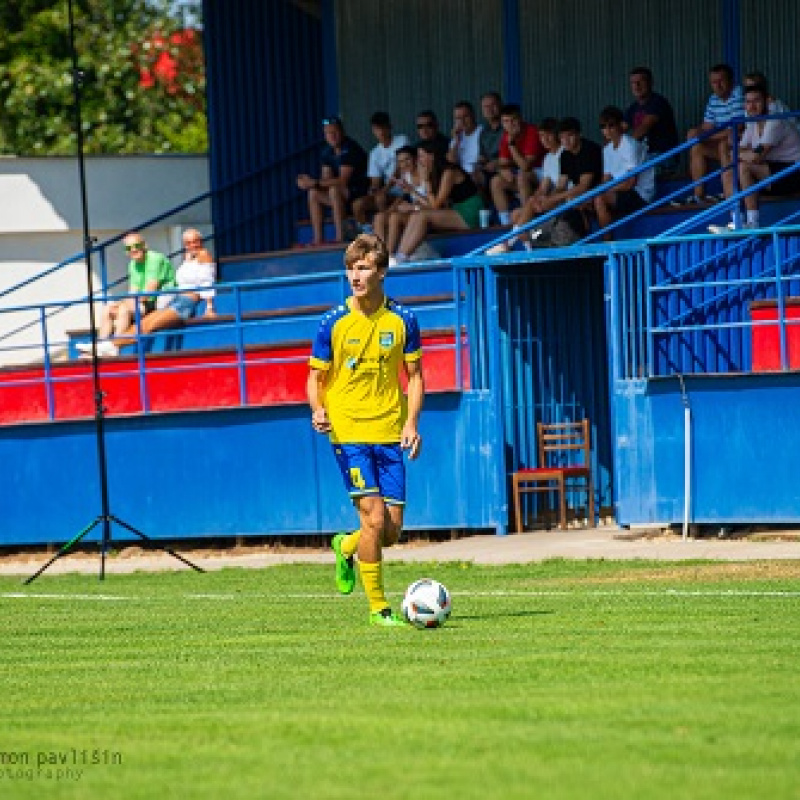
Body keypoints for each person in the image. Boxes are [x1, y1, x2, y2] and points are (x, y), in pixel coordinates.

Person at [307, 233, 424, 627]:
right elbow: (315, 377)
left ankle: (346, 546)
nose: (354, 276)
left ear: (382, 271)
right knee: (373, 518)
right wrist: (318, 408)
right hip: (349, 431)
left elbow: (416, 376)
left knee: (389, 532)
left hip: (389, 429)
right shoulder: (332, 322)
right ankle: (379, 608)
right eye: (350, 268)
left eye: (363, 268)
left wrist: (411, 423)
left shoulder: (403, 320)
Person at [86, 229, 217, 357]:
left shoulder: (203, 254)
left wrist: (210, 307)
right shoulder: (189, 257)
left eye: (195, 241)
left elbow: (207, 281)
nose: (192, 245)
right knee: (144, 323)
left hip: (186, 301)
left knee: (150, 325)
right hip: (176, 298)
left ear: (201, 241)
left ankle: (111, 346)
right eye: (188, 242)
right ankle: (107, 346)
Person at [709, 82, 800, 233]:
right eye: (748, 102)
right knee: (728, 173)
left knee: (744, 166)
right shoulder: (752, 123)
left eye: (756, 101)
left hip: (793, 172)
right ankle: (737, 220)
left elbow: (757, 156)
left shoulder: (774, 122)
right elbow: (741, 151)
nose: (751, 106)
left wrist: (741, 154)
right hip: (773, 171)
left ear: (766, 102)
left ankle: (753, 222)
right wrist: (741, 153)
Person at [77, 233, 176, 358]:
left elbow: (149, 292)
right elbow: (132, 292)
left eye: (137, 246)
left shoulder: (155, 259)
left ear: (144, 245)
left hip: (160, 302)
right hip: (142, 302)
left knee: (124, 309)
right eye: (129, 248)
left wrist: (125, 304)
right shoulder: (132, 265)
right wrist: (119, 304)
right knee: (109, 308)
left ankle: (114, 347)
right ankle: (100, 346)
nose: (133, 250)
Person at [389, 140, 484, 265]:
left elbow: (434, 206)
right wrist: (412, 191)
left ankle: (402, 257)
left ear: (432, 156)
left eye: (422, 156)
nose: (419, 160)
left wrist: (426, 181)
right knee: (417, 215)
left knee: (422, 215)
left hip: (470, 210)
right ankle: (398, 256)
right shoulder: (437, 172)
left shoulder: (448, 172)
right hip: (457, 209)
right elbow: (431, 205)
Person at [485, 117, 563, 255]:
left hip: (562, 201)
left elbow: (561, 187)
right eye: (542, 136)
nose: (545, 139)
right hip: (549, 203)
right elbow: (543, 187)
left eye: (548, 135)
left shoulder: (564, 153)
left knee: (528, 215)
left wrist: (542, 201)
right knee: (516, 215)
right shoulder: (548, 158)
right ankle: (530, 250)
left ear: (557, 135)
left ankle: (507, 244)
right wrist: (537, 198)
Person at [674, 63, 744, 206]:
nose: (717, 86)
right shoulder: (713, 99)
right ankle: (698, 196)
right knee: (697, 147)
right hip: (722, 143)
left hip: (741, 146)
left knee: (723, 145)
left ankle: (728, 193)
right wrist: (696, 133)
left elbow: (738, 128)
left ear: (731, 80)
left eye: (721, 81)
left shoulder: (738, 94)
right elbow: (707, 127)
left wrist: (706, 136)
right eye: (714, 82)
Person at [296, 117, 369, 246]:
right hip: (341, 196)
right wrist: (307, 182)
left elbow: (342, 180)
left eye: (335, 132)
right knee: (313, 193)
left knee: (334, 190)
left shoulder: (350, 147)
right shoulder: (327, 152)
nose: (332, 136)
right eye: (328, 133)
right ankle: (318, 239)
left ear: (342, 132)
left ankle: (340, 237)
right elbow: (325, 180)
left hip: (358, 193)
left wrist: (315, 182)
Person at [594, 106, 655, 240]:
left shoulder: (629, 144)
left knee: (599, 199)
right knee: (583, 202)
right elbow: (606, 179)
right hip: (622, 191)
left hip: (641, 193)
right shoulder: (607, 149)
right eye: (603, 126)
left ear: (621, 125)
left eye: (611, 125)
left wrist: (604, 190)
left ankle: (607, 243)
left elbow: (630, 182)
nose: (607, 130)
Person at [351, 111, 409, 230]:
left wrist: (384, 190)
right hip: (388, 192)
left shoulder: (402, 140)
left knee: (380, 197)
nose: (381, 132)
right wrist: (374, 189)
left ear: (390, 127)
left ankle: (385, 229)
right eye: (377, 129)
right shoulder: (374, 153)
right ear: (373, 130)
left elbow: (399, 169)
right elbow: (375, 181)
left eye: (384, 127)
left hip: (405, 190)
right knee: (358, 205)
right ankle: (369, 232)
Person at [490, 104, 545, 226]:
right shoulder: (506, 135)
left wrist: (512, 145)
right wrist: (503, 171)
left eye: (513, 120)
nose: (510, 125)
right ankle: (506, 224)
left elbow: (526, 166)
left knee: (522, 176)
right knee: (496, 181)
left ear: (520, 119)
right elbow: (503, 163)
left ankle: (526, 220)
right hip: (521, 173)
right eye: (506, 121)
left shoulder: (531, 131)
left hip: (542, 174)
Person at [372, 145, 431, 255]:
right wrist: (390, 210)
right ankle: (379, 255)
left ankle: (388, 256)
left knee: (394, 217)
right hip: (413, 211)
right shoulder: (406, 175)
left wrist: (411, 197)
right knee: (379, 217)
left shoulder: (426, 174)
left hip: (424, 215)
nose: (404, 164)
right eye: (400, 161)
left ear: (415, 158)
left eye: (407, 159)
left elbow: (431, 204)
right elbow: (404, 196)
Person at [623, 66, 679, 171]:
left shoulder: (658, 102)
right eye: (633, 83)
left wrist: (623, 147)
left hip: (663, 157)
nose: (636, 86)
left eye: (641, 81)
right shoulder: (633, 108)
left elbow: (644, 127)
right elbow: (620, 129)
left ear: (650, 82)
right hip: (644, 157)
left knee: (630, 170)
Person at [447, 100, 483, 178]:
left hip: (476, 174)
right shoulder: (457, 136)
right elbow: (451, 161)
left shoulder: (482, 132)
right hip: (461, 176)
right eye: (458, 118)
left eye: (465, 117)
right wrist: (456, 141)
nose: (462, 121)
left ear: (473, 115)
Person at [476, 91, 503, 189]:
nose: (489, 109)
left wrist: (497, 163)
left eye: (493, 105)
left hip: (507, 168)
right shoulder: (484, 132)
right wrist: (479, 165)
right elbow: (482, 157)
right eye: (486, 106)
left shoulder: (508, 127)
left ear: (500, 106)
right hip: (489, 170)